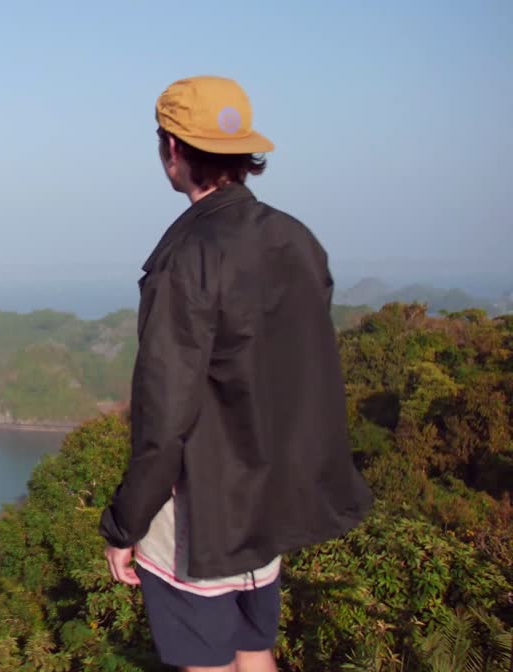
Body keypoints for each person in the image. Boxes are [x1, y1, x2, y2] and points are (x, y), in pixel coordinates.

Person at [98, 76, 372, 672]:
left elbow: (164, 417)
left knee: (208, 659)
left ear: (172, 147)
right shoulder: (295, 239)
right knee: (254, 649)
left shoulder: (186, 257)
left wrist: (125, 525)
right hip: (267, 501)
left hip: (203, 508)